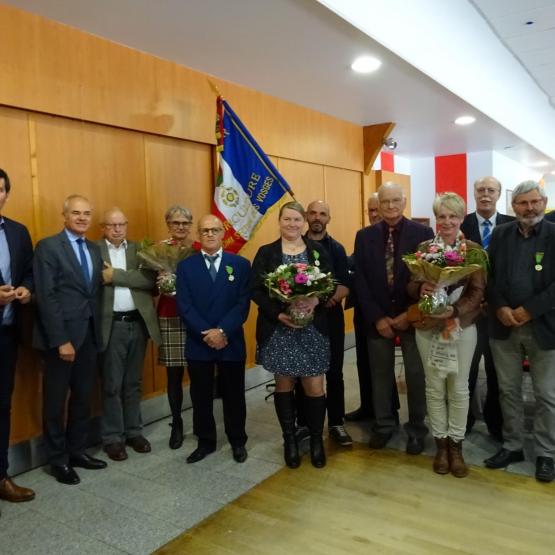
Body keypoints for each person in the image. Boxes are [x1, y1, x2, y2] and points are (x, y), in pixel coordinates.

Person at [408, 192, 486, 478]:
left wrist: (453, 311)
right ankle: (440, 445)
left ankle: (456, 446)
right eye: (442, 216)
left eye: (453, 216)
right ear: (435, 218)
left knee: (460, 388)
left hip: (461, 328)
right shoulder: (424, 248)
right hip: (429, 327)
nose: (447, 221)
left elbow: (478, 292)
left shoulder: (474, 250)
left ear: (461, 218)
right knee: (434, 386)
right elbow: (410, 286)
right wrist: (421, 290)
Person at [33, 194, 107, 485]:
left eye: (87, 213)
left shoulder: (93, 248)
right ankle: (57, 460)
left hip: (89, 334)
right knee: (55, 402)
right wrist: (61, 340)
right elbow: (46, 297)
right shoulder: (48, 247)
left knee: (83, 397)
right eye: (76, 213)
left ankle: (78, 451)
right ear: (64, 216)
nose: (82, 218)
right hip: (61, 338)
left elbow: (94, 293)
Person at [484, 180, 555, 483]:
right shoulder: (500, 234)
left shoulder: (554, 234)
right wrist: (500, 308)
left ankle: (546, 453)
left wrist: (530, 310)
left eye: (534, 202)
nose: (529, 208)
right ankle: (512, 445)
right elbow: (489, 276)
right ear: (512, 206)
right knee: (508, 390)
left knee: (547, 395)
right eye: (523, 203)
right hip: (504, 327)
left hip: (544, 327)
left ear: (544, 201)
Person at [354, 182, 433, 455]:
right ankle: (384, 425)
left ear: (404, 202)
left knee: (415, 375)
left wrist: (406, 316)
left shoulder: (423, 234)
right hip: (377, 320)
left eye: (395, 201)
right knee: (380, 376)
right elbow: (360, 281)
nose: (389, 206)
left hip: (411, 317)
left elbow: (426, 277)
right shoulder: (364, 236)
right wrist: (378, 318)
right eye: (385, 201)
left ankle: (416, 429)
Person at [252, 201, 332, 468]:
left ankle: (317, 441)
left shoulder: (318, 251)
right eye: (287, 219)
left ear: (304, 222)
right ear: (279, 221)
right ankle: (290, 440)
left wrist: (315, 302)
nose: (292, 224)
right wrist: (279, 313)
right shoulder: (266, 253)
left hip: (313, 329)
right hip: (280, 330)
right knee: (284, 385)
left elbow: (331, 286)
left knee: (314, 386)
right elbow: (257, 291)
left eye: (297, 219)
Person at [176, 214, 251, 464]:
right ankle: (205, 441)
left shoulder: (240, 265)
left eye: (215, 230)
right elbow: (184, 305)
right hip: (199, 343)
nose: (209, 234)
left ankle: (238, 440)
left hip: (230, 342)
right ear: (198, 235)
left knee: (234, 395)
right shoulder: (186, 267)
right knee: (201, 396)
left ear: (223, 234)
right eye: (205, 230)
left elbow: (242, 305)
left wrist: (222, 332)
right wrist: (208, 334)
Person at [98, 208, 162, 461]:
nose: (117, 229)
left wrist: (115, 276)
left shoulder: (139, 250)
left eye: (121, 224)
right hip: (111, 325)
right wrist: (128, 278)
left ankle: (134, 432)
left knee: (133, 383)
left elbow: (149, 280)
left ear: (126, 225)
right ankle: (113, 438)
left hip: (138, 324)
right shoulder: (94, 251)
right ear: (103, 227)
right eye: (111, 225)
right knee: (112, 384)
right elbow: (94, 280)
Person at [460, 176, 514, 439]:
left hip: (499, 312)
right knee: (466, 371)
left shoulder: (511, 226)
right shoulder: (462, 224)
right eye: (480, 189)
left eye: (491, 190)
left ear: (498, 194)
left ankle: (496, 424)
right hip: (470, 313)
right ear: (474, 193)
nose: (485, 194)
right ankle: (465, 421)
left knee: (497, 374)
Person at [297, 200, 351, 447]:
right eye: (313, 213)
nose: (317, 217)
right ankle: (305, 424)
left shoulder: (337, 249)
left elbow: (344, 285)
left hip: (330, 319)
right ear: (307, 216)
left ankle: (336, 423)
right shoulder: (295, 247)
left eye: (323, 214)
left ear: (329, 219)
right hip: (303, 321)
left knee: (334, 372)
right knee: (303, 372)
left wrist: (324, 300)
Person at [0, 168, 35, 509]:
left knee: (1, 406)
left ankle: (1, 475)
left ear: (7, 194)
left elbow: (29, 272)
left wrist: (27, 290)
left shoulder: (17, 231)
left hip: (8, 336)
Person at [157, 205, 193, 449]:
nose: (180, 227)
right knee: (174, 374)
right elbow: (146, 282)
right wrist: (160, 281)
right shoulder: (158, 250)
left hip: (196, 317)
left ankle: (201, 420)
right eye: (175, 222)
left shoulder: (199, 249)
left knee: (199, 372)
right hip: (169, 315)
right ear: (168, 224)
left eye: (184, 223)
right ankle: (177, 422)